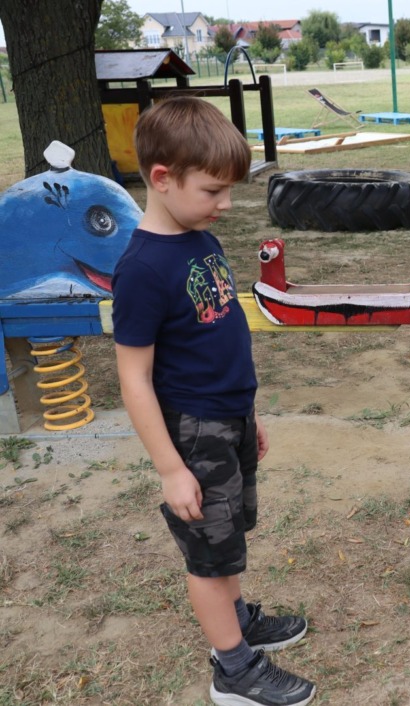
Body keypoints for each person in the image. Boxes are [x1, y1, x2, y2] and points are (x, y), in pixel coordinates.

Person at [112, 96, 317, 706]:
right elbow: (134, 379)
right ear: (162, 178)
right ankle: (233, 668)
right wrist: (171, 469)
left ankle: (238, 618)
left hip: (229, 420)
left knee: (227, 538)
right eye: (212, 190)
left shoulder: (199, 237)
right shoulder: (143, 268)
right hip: (193, 432)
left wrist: (247, 416)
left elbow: (217, 338)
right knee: (208, 553)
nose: (225, 203)